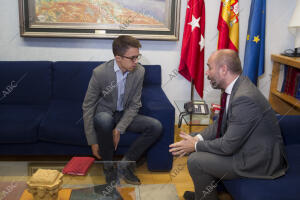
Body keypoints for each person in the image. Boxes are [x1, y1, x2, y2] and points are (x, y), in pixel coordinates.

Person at [169, 49, 288, 200]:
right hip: (245, 146)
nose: (206, 72)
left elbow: (227, 146)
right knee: (195, 140)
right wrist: (196, 138)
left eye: (209, 67)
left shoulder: (244, 98)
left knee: (195, 160)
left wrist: (195, 146)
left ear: (223, 69)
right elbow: (219, 124)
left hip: (259, 160)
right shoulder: (236, 87)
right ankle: (204, 194)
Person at [82, 35, 162, 185]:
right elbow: (88, 106)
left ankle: (125, 165)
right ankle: (108, 167)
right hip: (104, 113)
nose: (136, 61)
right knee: (104, 120)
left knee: (155, 126)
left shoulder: (139, 72)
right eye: (132, 58)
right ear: (118, 58)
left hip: (124, 115)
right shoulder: (99, 73)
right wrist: (92, 141)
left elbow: (134, 105)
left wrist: (119, 129)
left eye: (137, 57)